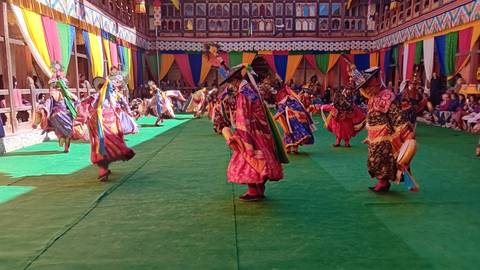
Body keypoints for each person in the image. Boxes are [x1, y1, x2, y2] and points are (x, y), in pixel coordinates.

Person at [220, 64, 287, 201]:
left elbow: (243, 115)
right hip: (260, 130)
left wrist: (241, 136)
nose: (231, 86)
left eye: (230, 82)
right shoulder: (250, 89)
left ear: (234, 81)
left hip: (251, 131)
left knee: (248, 158)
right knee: (263, 158)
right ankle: (259, 189)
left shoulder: (244, 93)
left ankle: (253, 191)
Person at [355, 67, 415, 193]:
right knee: (374, 160)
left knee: (380, 160)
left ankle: (383, 183)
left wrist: (405, 133)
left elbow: (396, 115)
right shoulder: (373, 97)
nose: (365, 89)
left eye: (368, 85)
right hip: (373, 135)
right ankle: (382, 182)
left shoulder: (388, 96)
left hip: (385, 135)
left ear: (376, 80)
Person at [77, 77, 135, 181]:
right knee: (109, 146)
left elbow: (84, 106)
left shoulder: (96, 97)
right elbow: (116, 108)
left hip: (100, 126)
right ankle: (105, 169)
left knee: (101, 147)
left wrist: (84, 118)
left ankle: (103, 171)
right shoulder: (111, 98)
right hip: (109, 126)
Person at [33, 63, 78, 153]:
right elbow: (76, 100)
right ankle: (66, 147)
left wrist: (42, 109)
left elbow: (48, 104)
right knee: (68, 132)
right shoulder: (66, 94)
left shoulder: (54, 94)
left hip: (55, 115)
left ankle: (61, 138)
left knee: (57, 129)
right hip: (66, 114)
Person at [274, 84, 315, 153]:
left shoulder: (287, 101)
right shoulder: (295, 100)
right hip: (297, 119)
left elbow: (280, 111)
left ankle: (290, 148)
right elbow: (302, 108)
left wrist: (274, 118)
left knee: (289, 132)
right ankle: (294, 148)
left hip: (292, 120)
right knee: (293, 133)